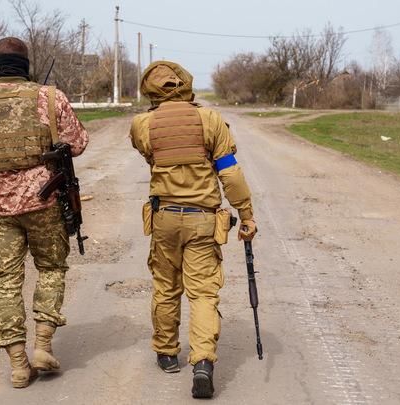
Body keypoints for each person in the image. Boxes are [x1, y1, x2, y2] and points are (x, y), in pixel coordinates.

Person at [0, 37, 89, 388]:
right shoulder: (50, 97)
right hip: (45, 204)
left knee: (6, 284)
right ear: (26, 66)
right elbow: (79, 143)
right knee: (52, 269)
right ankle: (42, 346)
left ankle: (18, 366)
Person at [128, 61, 257, 399]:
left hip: (164, 219)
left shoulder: (142, 124)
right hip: (203, 219)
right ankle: (202, 363)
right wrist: (246, 216)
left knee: (167, 287)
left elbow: (149, 155)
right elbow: (229, 173)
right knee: (202, 292)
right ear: (185, 84)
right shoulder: (211, 121)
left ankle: (167, 354)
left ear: (150, 90)